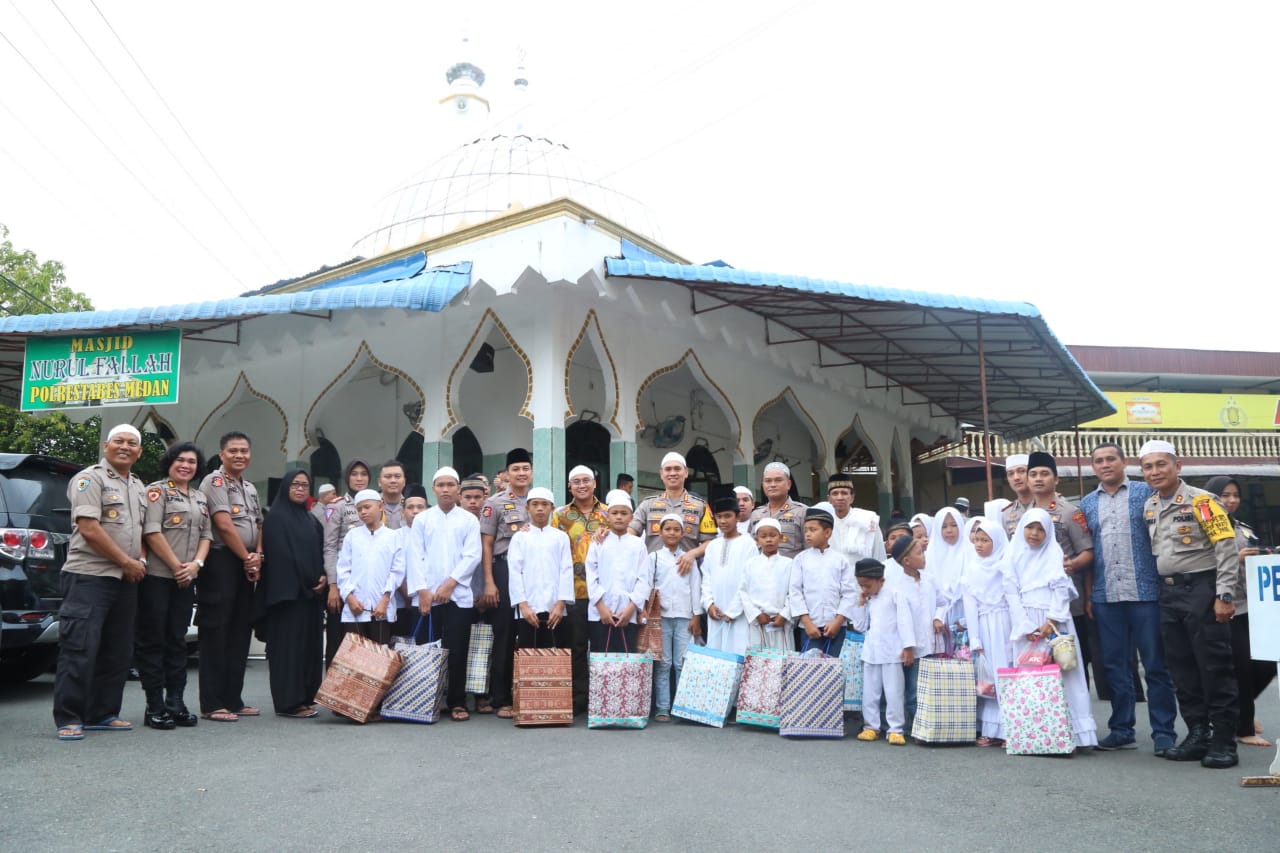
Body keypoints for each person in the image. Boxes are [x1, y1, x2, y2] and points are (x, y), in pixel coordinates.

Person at [1141, 440, 1242, 768]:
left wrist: (1224, 595)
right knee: (1181, 668)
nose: (1155, 472)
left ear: (1178, 466)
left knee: (1214, 666)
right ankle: (1198, 734)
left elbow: (1225, 547)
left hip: (1202, 588)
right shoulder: (1150, 505)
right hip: (1169, 593)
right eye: (1148, 467)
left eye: (1161, 464)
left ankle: (1224, 741)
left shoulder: (1202, 501)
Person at [52, 424, 149, 741]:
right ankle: (69, 717)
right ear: (106, 445)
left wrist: (140, 561)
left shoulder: (137, 485)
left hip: (127, 577)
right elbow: (89, 529)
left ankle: (102, 713)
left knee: (117, 650)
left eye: (132, 443)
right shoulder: (89, 479)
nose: (125, 447)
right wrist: (126, 561)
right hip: (89, 575)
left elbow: (140, 531)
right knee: (80, 647)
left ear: (139, 452)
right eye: (119, 441)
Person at [1080, 442, 1177, 754]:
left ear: (1123, 462)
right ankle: (1121, 730)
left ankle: (1164, 733)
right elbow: (1089, 551)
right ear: (1093, 467)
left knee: (1155, 666)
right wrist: (1090, 595)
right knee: (1115, 667)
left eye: (1111, 459)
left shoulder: (1145, 493)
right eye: (1099, 460)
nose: (1105, 464)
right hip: (1106, 596)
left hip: (1146, 593)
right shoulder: (1087, 503)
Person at [1003, 509, 1099, 749]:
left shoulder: (1054, 554)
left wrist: (1053, 619)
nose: (1034, 533)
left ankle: (1072, 733)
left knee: (1064, 674)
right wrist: (1024, 624)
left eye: (1041, 529)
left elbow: (1061, 589)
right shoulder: (1012, 554)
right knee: (1029, 676)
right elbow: (1011, 592)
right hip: (1027, 624)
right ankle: (1032, 732)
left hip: (1054, 623)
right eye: (1030, 527)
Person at [137, 441, 212, 730]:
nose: (185, 465)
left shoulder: (200, 497)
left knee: (177, 641)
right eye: (180, 460)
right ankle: (154, 706)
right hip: (158, 577)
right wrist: (177, 566)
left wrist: (196, 565)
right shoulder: (156, 491)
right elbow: (151, 531)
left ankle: (176, 703)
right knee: (153, 640)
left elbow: (206, 536)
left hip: (186, 579)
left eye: (191, 462)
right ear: (169, 462)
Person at [1204, 475, 1277, 748]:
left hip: (1252, 604)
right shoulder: (1205, 526)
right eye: (1225, 495)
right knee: (1241, 667)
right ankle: (1244, 727)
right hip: (1222, 605)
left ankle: (1238, 711)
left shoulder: (1243, 528)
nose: (1231, 500)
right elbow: (1199, 564)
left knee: (1267, 663)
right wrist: (1237, 558)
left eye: (1235, 495)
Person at [197, 431, 264, 723]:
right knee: (216, 631)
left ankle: (233, 699)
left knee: (239, 631)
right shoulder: (214, 481)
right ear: (222, 454)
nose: (240, 455)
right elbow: (223, 525)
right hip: (221, 561)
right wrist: (247, 558)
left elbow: (259, 525)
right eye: (233, 450)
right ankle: (212, 703)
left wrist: (257, 556)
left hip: (246, 563)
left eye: (244, 451)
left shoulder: (249, 487)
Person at [407, 467, 481, 721]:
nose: (446, 489)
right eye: (441, 485)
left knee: (457, 650)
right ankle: (427, 700)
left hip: (458, 595)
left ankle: (457, 701)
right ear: (434, 489)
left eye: (451, 485)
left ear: (458, 488)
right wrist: (422, 591)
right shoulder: (422, 519)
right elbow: (415, 556)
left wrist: (450, 584)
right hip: (428, 596)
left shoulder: (469, 520)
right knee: (428, 649)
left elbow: (472, 555)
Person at [1026, 450, 1097, 688]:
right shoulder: (1024, 514)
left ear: (1056, 479)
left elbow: (1088, 551)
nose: (1038, 478)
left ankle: (1078, 709)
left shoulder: (1069, 512)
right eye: (1033, 474)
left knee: (1071, 662)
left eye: (1044, 474)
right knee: (1039, 665)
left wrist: (1072, 564)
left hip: (1067, 602)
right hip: (1034, 604)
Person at [261, 469, 325, 718]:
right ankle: (289, 703)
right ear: (286, 487)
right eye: (295, 484)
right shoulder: (276, 518)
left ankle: (306, 697)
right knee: (288, 651)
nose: (300, 489)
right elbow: (283, 558)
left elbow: (320, 553)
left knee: (308, 649)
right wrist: (310, 580)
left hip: (310, 597)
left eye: (305, 485)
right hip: (286, 597)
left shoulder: (311, 520)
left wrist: (322, 576)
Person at [551, 465, 609, 715]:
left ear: (594, 483)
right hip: (573, 592)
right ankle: (578, 698)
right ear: (569, 486)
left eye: (586, 480)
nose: (582, 485)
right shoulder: (560, 515)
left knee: (601, 647)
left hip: (603, 594)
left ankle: (601, 698)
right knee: (575, 647)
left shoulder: (609, 513)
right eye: (576, 481)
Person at [480, 448, 533, 719]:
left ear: (531, 472)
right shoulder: (495, 503)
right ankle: (500, 697)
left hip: (533, 574)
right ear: (506, 474)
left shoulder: (540, 500)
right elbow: (487, 544)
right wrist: (489, 582)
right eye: (516, 469)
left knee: (529, 630)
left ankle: (528, 694)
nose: (521, 473)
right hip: (504, 570)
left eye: (525, 468)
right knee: (504, 633)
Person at [958, 517, 1012, 746]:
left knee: (1007, 673)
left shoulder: (1006, 565)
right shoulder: (972, 569)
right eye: (977, 540)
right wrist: (975, 639)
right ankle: (992, 729)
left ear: (997, 541)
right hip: (985, 627)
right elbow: (970, 607)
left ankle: (1011, 729)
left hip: (1007, 625)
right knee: (989, 678)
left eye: (985, 540)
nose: (978, 544)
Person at [851, 558, 915, 745]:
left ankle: (895, 729)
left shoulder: (895, 594)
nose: (864, 589)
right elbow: (860, 626)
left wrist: (908, 647)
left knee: (894, 692)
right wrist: (860, 604)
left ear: (881, 580)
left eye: (868, 585)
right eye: (861, 585)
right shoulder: (868, 599)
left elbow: (905, 621)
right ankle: (871, 726)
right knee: (870, 693)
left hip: (892, 652)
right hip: (872, 651)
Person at [649, 514, 704, 721]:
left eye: (676, 529)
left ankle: (682, 707)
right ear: (660, 533)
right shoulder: (654, 558)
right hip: (661, 617)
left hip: (684, 616)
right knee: (663, 663)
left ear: (682, 534)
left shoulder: (689, 558)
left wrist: (696, 615)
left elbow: (695, 587)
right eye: (668, 529)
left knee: (682, 662)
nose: (672, 533)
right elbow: (648, 585)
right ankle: (662, 707)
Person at [508, 486, 574, 651]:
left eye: (544, 504)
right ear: (527, 508)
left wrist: (560, 605)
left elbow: (566, 571)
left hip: (555, 609)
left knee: (557, 656)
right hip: (528, 609)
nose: (540, 508)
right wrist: (523, 606)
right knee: (528, 655)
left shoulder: (561, 537)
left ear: (552, 508)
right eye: (535, 504)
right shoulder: (519, 538)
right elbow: (515, 573)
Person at [336, 489, 405, 646]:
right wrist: (349, 598)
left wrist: (385, 599)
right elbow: (343, 570)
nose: (363, 512)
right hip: (355, 608)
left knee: (380, 656)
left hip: (381, 609)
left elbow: (397, 571)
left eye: (367, 507)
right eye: (359, 509)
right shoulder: (352, 536)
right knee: (354, 656)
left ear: (380, 506)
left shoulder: (393, 536)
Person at [585, 490, 651, 653]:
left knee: (626, 661)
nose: (619, 517)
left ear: (631, 517)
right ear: (607, 516)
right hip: (600, 614)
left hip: (628, 614)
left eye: (624, 513)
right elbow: (591, 576)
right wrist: (601, 607)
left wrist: (631, 608)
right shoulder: (598, 542)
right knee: (600, 660)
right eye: (614, 513)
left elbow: (644, 579)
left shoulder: (638, 544)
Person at [787, 506, 857, 657]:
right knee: (810, 667)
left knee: (834, 666)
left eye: (813, 530)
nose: (808, 534)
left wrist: (838, 622)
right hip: (809, 628)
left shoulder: (840, 560)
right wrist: (807, 622)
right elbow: (795, 592)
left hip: (836, 627)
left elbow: (849, 594)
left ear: (827, 533)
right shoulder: (800, 560)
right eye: (806, 530)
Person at [888, 534, 942, 729]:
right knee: (914, 691)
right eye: (919, 553)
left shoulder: (930, 580)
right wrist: (908, 647)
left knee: (931, 689)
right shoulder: (899, 587)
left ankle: (930, 726)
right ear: (907, 561)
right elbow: (903, 620)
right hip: (915, 649)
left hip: (932, 645)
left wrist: (938, 618)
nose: (924, 556)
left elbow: (943, 602)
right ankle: (917, 728)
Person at [323, 458, 371, 667]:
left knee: (366, 643)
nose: (359, 478)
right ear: (346, 478)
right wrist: (333, 585)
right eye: (354, 474)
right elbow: (330, 546)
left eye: (364, 474)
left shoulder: (376, 503)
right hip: (344, 583)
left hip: (368, 583)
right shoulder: (338, 506)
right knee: (339, 639)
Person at [630, 452, 716, 568]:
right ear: (661, 474)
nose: (672, 473)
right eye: (668, 469)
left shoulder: (701, 506)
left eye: (677, 469)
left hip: (686, 571)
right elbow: (630, 532)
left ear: (686, 472)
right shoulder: (647, 505)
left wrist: (693, 554)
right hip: (653, 572)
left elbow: (711, 542)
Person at [700, 496, 756, 655]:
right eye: (719, 517)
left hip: (739, 612)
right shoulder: (712, 546)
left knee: (738, 653)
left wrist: (733, 611)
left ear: (737, 517)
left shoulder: (748, 544)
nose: (723, 521)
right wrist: (709, 604)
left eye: (727, 516)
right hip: (716, 611)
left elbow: (749, 580)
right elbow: (706, 577)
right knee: (716, 656)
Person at [738, 518, 794, 650]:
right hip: (759, 622)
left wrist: (784, 615)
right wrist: (756, 614)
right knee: (759, 659)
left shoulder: (789, 564)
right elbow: (743, 592)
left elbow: (793, 593)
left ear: (781, 537)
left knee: (783, 658)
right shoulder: (750, 564)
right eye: (763, 536)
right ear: (757, 540)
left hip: (781, 622)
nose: (768, 540)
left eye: (773, 535)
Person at [748, 462, 808, 558]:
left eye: (778, 480)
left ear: (788, 484)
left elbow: (810, 550)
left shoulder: (802, 512)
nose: (772, 485)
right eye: (768, 481)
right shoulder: (755, 514)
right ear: (763, 485)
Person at [826, 473, 886, 565]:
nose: (839, 498)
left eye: (844, 493)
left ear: (852, 498)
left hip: (863, 573)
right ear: (829, 499)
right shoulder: (825, 523)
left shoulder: (868, 520)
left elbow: (879, 553)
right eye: (835, 493)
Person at [928, 506, 969, 639]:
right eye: (944, 526)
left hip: (966, 612)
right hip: (939, 617)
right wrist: (937, 616)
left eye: (954, 525)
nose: (949, 530)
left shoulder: (970, 552)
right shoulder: (930, 556)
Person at [1001, 453, 1032, 537]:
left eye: (1021, 471)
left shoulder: (1046, 504)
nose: (1016, 477)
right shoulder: (1007, 513)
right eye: (1010, 474)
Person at [377, 460, 407, 530]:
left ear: (404, 482)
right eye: (388, 477)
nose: (393, 481)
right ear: (379, 482)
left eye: (397, 476)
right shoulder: (371, 506)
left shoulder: (411, 507)